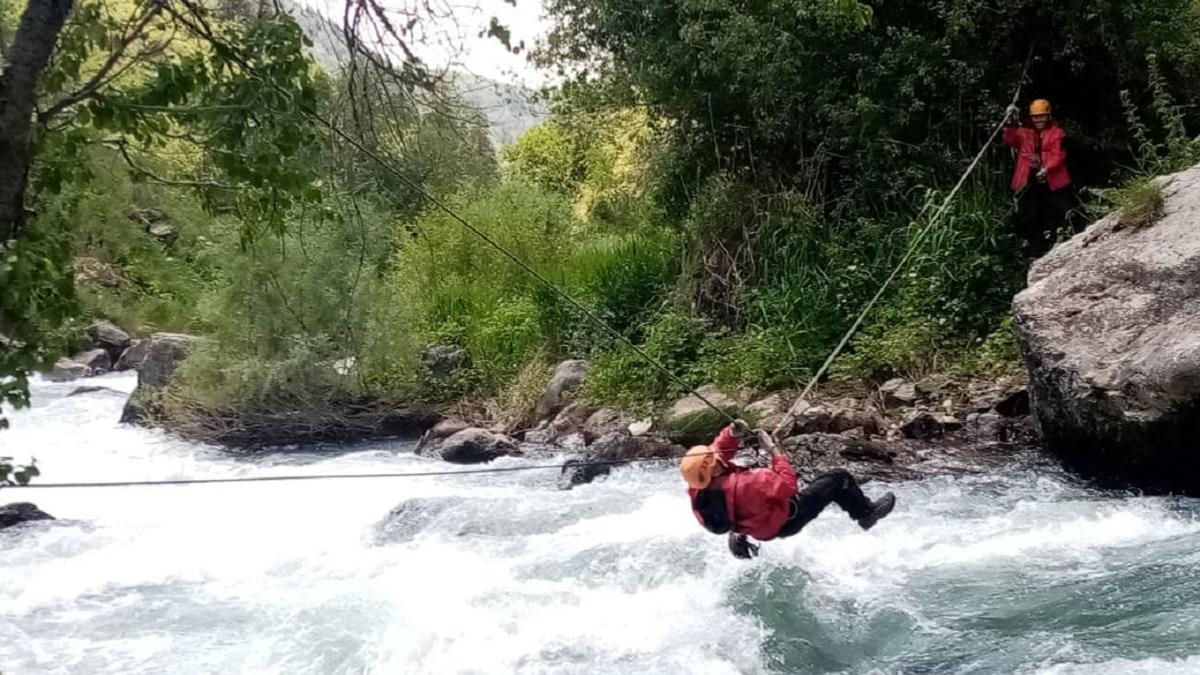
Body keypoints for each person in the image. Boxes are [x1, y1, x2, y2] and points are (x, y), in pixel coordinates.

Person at [680, 422, 896, 559]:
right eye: (715, 461)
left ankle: (740, 533)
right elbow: (788, 485)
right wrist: (774, 451)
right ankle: (866, 514)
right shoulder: (751, 483)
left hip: (752, 523)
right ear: (714, 470)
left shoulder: (698, 486)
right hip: (787, 521)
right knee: (839, 478)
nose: (718, 457)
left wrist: (732, 433)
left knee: (742, 508)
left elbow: (719, 451)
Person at [1003, 98, 1078, 256]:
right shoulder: (1024, 133)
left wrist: (1046, 169)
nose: (1039, 119)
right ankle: (1033, 250)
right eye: (1036, 116)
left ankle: (1063, 245)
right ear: (1031, 117)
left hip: (1053, 182)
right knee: (1030, 216)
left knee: (1059, 213)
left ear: (1048, 116)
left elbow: (1058, 155)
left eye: (1042, 116)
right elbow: (1009, 139)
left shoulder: (1056, 133)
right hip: (1029, 182)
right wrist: (1009, 122)